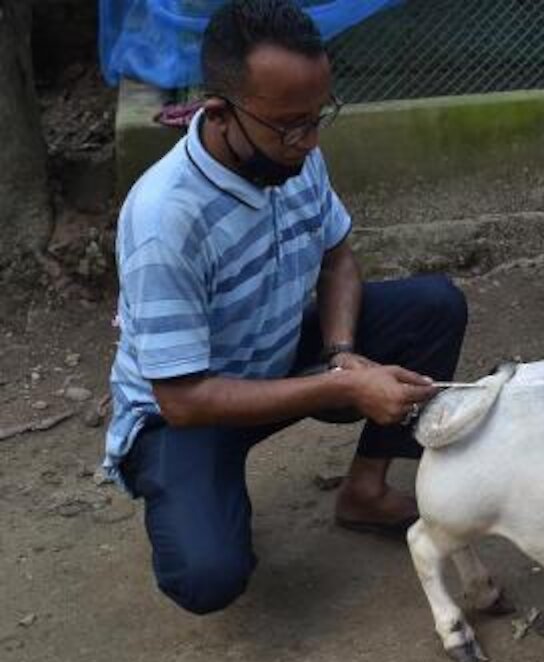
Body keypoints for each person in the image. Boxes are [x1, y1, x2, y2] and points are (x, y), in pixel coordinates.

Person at [102, 0, 468, 614]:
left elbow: (338, 258)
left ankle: (365, 493)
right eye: (291, 126)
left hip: (274, 355)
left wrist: (343, 353)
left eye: (318, 117)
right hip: (184, 412)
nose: (310, 140)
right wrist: (338, 387)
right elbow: (184, 397)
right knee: (207, 576)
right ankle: (192, 496)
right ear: (218, 112)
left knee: (434, 306)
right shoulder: (166, 219)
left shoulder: (291, 151)